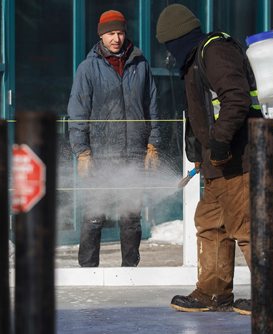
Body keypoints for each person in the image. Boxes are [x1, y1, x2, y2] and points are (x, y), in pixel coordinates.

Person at [155, 4, 273, 314]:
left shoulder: (214, 51)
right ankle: (213, 291)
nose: (169, 54)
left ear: (177, 39)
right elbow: (200, 114)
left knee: (248, 226)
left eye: (168, 46)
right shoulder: (194, 61)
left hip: (241, 156)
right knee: (211, 224)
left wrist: (219, 142)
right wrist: (199, 156)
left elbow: (235, 97)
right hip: (218, 163)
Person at [68, 10, 160, 267]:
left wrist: (153, 144)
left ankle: (130, 271)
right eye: (110, 34)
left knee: (131, 217)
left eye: (119, 32)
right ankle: (87, 270)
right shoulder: (88, 68)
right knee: (94, 215)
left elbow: (152, 108)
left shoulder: (140, 65)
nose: (116, 38)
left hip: (134, 154)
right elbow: (77, 111)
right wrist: (83, 152)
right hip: (101, 154)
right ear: (101, 36)